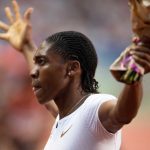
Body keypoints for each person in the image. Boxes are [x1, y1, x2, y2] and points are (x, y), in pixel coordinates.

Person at [0, 1, 150, 150]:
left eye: (45, 63)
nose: (34, 71)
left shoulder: (94, 107)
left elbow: (122, 114)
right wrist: (27, 46)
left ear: (72, 68)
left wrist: (134, 74)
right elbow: (49, 103)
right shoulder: (65, 118)